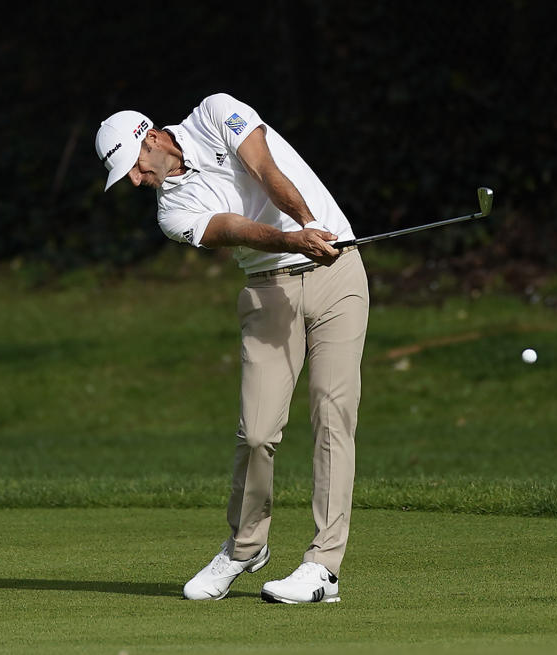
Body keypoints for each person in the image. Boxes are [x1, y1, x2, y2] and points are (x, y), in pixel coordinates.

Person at [95, 93, 369, 604]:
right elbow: (233, 229)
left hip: (340, 272)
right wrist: (292, 241)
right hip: (268, 290)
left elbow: (263, 167)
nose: (135, 182)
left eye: (133, 170)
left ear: (151, 139)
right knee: (258, 432)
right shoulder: (171, 212)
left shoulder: (215, 112)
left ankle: (323, 567)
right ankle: (246, 548)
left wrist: (307, 223)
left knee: (333, 417)